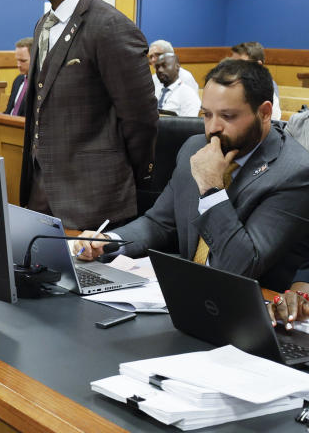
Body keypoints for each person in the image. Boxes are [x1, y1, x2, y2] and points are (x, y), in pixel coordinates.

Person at [74, 58, 309, 305]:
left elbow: (237, 267)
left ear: (264, 113)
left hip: (251, 308)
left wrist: (211, 189)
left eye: (228, 116)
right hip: (188, 296)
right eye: (207, 115)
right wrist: (109, 242)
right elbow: (159, 223)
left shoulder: (294, 171)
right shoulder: (194, 148)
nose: (213, 128)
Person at [21, 0, 158, 230]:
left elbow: (141, 119)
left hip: (94, 199)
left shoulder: (110, 27)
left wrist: (122, 176)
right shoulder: (44, 23)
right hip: (41, 193)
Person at [229, 41, 282, 119]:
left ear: (258, 65)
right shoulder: (230, 82)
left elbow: (274, 121)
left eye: (241, 64)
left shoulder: (268, 86)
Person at [154, 52, 201, 116]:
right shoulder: (155, 91)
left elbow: (189, 124)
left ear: (177, 66)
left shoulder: (188, 94)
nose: (160, 70)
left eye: (164, 66)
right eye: (157, 67)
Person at [4, 37, 33, 116]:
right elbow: (8, 111)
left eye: (23, 61)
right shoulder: (18, 80)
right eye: (17, 60)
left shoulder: (40, 85)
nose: (18, 65)